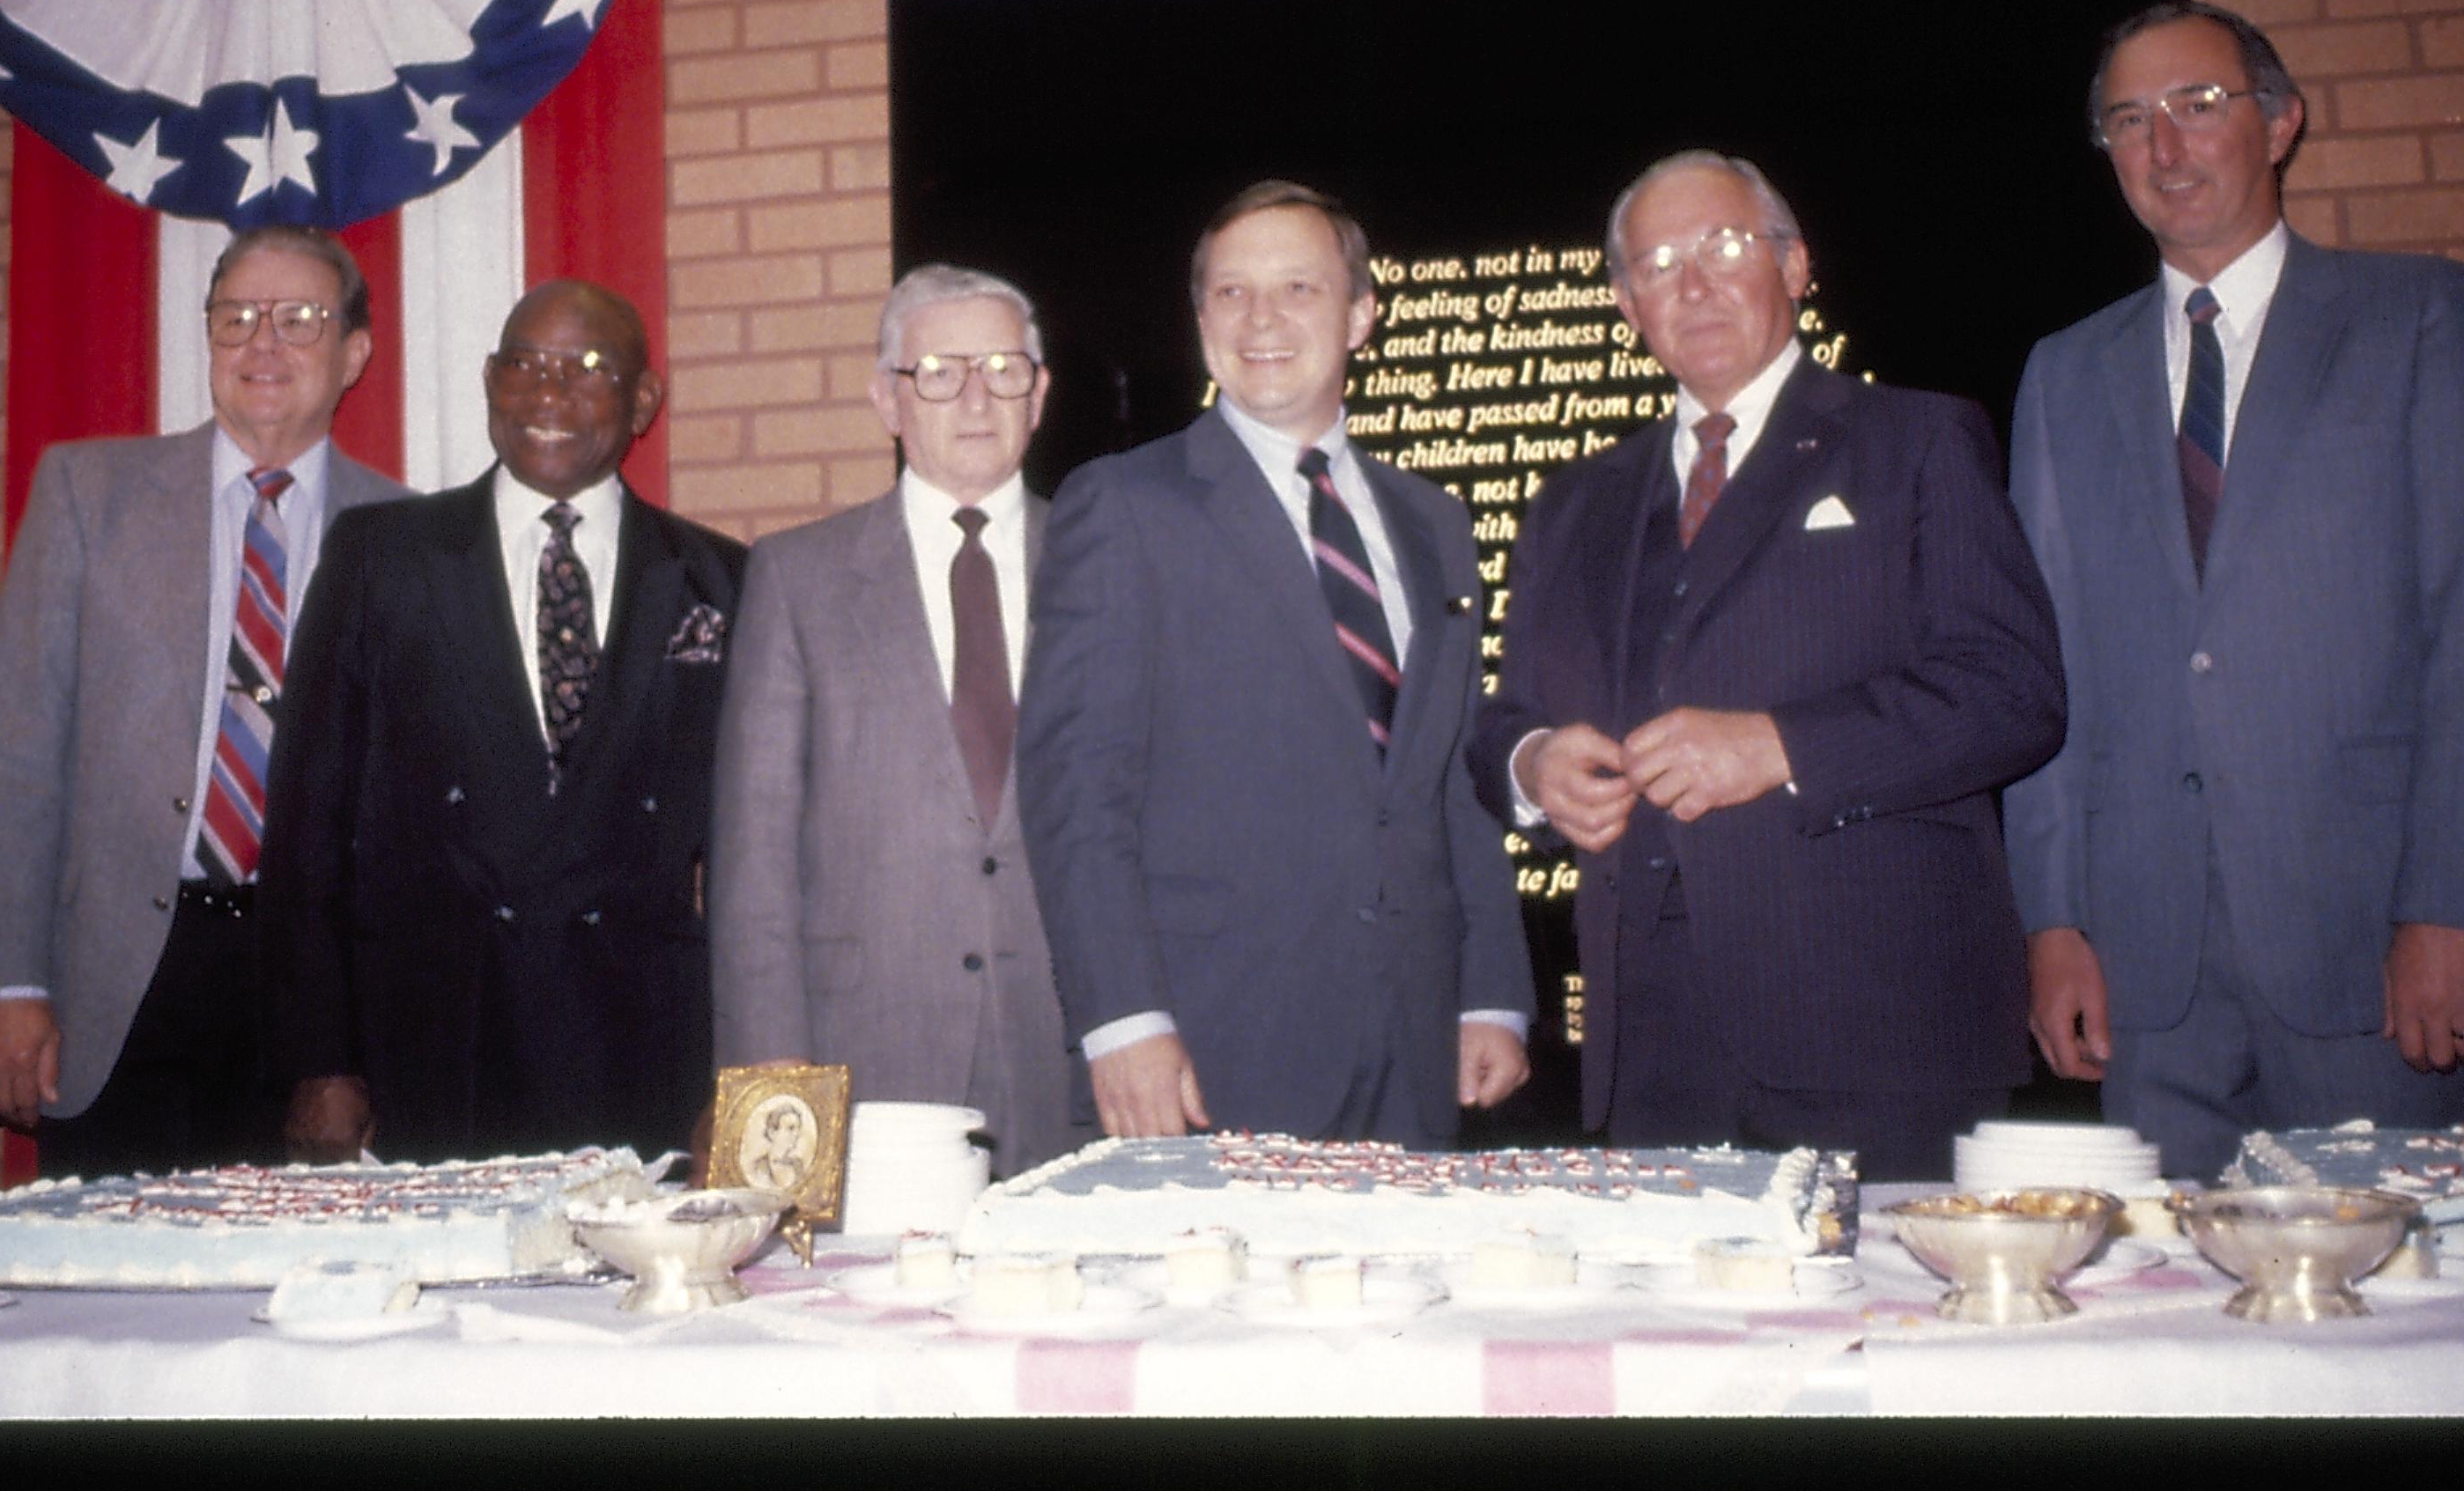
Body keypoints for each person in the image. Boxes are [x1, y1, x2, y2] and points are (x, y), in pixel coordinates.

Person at [2006, 2, 2464, 1177]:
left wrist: (2459, 907)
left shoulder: (2422, 320)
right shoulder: (2063, 374)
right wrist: (2054, 924)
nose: (2166, 146)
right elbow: (2049, 681)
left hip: (2382, 957)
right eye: (2130, 121)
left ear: (2281, 122)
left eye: (2200, 105)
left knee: (2415, 1329)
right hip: (2153, 979)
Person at [1471, 152, 2064, 1182]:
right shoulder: (1573, 504)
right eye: (1657, 263)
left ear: (1795, 267)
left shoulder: (1917, 440)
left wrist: (1780, 746)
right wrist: (1529, 764)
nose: (1691, 284)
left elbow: (2013, 692)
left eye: (1723, 247)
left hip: (1878, 1033)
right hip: (1651, 1047)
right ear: (1626, 304)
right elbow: (1504, 719)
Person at [1017, 181, 1534, 1147]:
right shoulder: (1124, 506)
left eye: (1299, 287)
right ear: (1201, 319)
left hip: (1418, 1044)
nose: (1262, 318)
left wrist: (1494, 991)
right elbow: (1075, 791)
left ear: (1360, 314)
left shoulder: (1435, 524)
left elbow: (1450, 778)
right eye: (1230, 293)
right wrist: (1122, 1019)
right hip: (1213, 1052)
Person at [260, 278, 744, 1163]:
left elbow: (756, 861)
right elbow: (305, 830)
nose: (548, 393)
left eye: (587, 368)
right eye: (524, 364)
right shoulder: (383, 560)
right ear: (490, 381)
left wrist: (740, 1078)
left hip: (642, 1056)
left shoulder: (720, 581)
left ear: (643, 402)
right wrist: (321, 1059)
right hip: (437, 1050)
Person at [0, 225, 407, 1175]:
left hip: (319, 991)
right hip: (122, 980)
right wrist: (5, 983)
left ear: (354, 353)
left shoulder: (409, 537)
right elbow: (17, 755)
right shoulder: (88, 493)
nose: (263, 343)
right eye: (236, 317)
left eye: (299, 319)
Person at [710, 265, 1084, 1182]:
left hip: (1072, 1058)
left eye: (1003, 368)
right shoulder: (797, 577)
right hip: (865, 1057)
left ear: (1038, 395)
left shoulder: (1104, 560)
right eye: (939, 372)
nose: (974, 396)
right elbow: (753, 867)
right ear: (888, 397)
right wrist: (773, 1122)